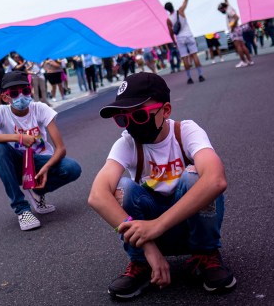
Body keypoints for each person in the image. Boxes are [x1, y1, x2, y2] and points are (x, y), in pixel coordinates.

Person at [88, 73, 235, 298]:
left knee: (195, 177)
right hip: (149, 236)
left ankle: (206, 254)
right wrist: (148, 246)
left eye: (138, 115)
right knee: (123, 189)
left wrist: (158, 224)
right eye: (122, 119)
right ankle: (141, 262)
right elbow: (97, 196)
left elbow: (216, 179)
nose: (130, 126)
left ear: (165, 110)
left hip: (187, 226)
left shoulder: (185, 131)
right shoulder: (127, 143)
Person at [0, 71, 82, 231]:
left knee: (73, 168)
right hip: (16, 162)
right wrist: (18, 138)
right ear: (5, 97)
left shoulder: (40, 108)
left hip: (39, 162)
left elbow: (61, 148)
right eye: (15, 93)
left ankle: (37, 190)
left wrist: (46, 167)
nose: (21, 96)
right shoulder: (0, 108)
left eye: (25, 91)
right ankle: (22, 210)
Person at [164, 0, 205, 84]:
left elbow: (171, 32)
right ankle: (200, 75)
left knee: (184, 57)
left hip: (180, 38)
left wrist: (174, 42)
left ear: (166, 10)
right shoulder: (180, 11)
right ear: (173, 6)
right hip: (188, 35)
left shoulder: (168, 20)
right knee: (194, 55)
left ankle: (189, 78)